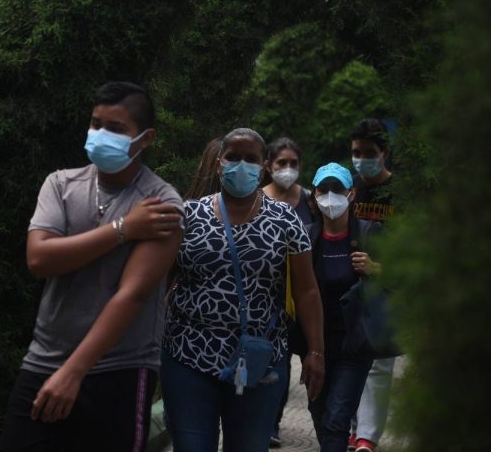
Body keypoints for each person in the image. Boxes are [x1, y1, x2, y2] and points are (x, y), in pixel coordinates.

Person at [2, 82, 184, 452]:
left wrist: (75, 371)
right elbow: (40, 259)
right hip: (44, 360)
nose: (101, 135)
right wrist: (124, 230)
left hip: (120, 371)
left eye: (116, 129)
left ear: (146, 138)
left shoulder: (162, 203)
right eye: (96, 124)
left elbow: (131, 294)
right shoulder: (61, 184)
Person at [161, 128, 325, 452]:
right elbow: (161, 280)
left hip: (259, 360)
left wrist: (316, 351)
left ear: (264, 165)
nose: (241, 165)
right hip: (187, 354)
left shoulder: (286, 220)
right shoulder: (188, 215)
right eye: (233, 157)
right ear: (219, 163)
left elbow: (307, 291)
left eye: (250, 158)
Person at [301, 162, 381, 452]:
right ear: (314, 196)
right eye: (324, 189)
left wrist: (377, 269)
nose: (331, 196)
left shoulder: (372, 233)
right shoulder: (306, 238)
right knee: (320, 414)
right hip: (316, 344)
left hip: (354, 343)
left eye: (338, 189)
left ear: (351, 194)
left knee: (337, 418)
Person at [261, 136, 315, 447]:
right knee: (275, 366)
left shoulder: (310, 201)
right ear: (268, 166)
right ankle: (271, 423)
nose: (288, 169)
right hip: (269, 299)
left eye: (294, 163)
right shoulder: (255, 200)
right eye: (282, 163)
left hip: (303, 297)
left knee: (306, 358)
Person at [348, 118, 397, 452]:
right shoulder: (348, 188)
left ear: (384, 153)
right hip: (348, 288)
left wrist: (381, 268)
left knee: (379, 362)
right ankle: (354, 429)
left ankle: (367, 437)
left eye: (369, 152)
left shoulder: (401, 193)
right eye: (356, 152)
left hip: (387, 289)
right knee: (350, 358)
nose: (362, 158)